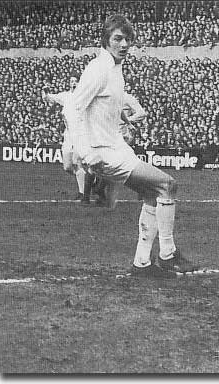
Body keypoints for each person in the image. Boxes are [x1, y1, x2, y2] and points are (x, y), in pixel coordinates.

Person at [69, 14, 198, 277]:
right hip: (104, 153)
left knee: (153, 194)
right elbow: (73, 107)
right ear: (106, 40)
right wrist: (84, 151)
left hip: (115, 147)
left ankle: (142, 263)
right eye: (118, 38)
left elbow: (106, 105)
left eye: (128, 39)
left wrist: (125, 119)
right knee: (167, 185)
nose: (124, 44)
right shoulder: (99, 68)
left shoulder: (115, 70)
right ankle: (167, 254)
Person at [91, 92, 147, 207]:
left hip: (122, 136)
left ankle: (101, 190)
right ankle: (101, 192)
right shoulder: (106, 98)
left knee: (116, 165)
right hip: (107, 134)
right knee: (110, 164)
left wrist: (127, 120)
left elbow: (142, 113)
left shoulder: (127, 98)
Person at [42, 74, 90, 202]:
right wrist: (45, 90)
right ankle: (89, 182)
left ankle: (83, 192)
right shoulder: (65, 96)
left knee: (77, 162)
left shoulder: (85, 96)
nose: (73, 83)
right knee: (67, 167)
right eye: (71, 81)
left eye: (76, 81)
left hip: (81, 134)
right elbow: (48, 98)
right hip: (68, 135)